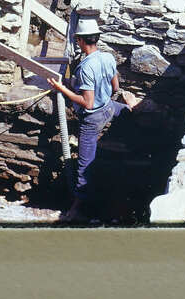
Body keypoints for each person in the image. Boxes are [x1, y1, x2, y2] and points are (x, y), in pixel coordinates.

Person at [47, 18, 138, 221]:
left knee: (84, 164)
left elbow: (87, 103)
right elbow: (115, 87)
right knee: (128, 113)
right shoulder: (107, 57)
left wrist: (61, 88)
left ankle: (77, 208)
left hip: (93, 117)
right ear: (96, 38)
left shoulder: (86, 68)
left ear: (79, 40)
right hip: (109, 107)